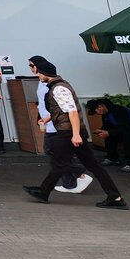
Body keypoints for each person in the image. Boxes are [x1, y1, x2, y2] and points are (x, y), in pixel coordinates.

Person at [21, 56, 128, 209]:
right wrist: (48, 118)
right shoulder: (59, 85)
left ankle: (43, 192)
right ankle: (115, 197)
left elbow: (72, 112)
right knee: (90, 165)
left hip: (68, 133)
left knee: (59, 163)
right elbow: (63, 110)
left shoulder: (58, 88)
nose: (37, 75)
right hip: (71, 131)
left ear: (44, 71)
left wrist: (76, 134)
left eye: (37, 71)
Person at [28, 58, 90, 194]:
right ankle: (69, 184)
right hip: (54, 123)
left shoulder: (54, 85)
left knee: (55, 153)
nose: (32, 69)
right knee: (59, 155)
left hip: (59, 126)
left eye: (32, 65)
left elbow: (69, 110)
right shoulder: (43, 82)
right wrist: (44, 118)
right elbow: (44, 103)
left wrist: (75, 133)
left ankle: (79, 175)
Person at [86, 97, 130, 171]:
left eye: (96, 111)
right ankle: (112, 158)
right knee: (110, 134)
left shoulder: (118, 110)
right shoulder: (105, 113)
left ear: (100, 106)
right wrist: (102, 130)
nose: (97, 114)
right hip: (128, 129)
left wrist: (109, 132)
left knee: (127, 135)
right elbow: (108, 125)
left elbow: (125, 126)